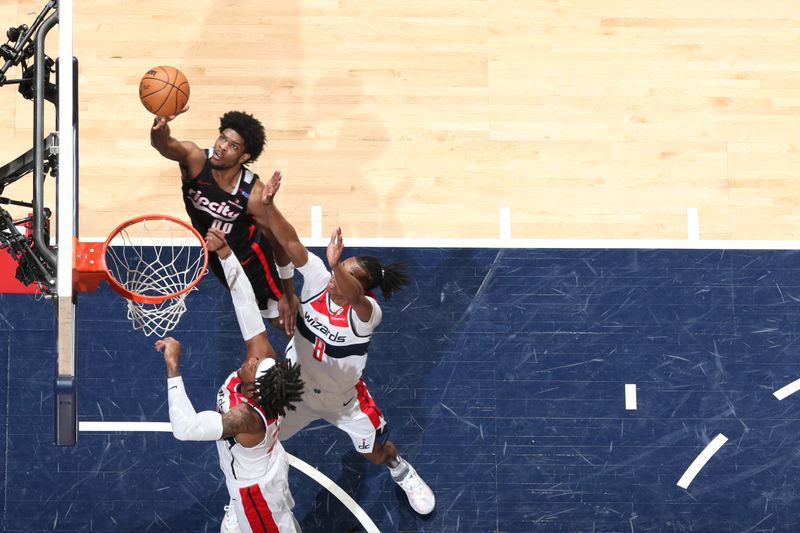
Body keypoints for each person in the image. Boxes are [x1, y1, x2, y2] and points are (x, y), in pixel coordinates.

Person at [257, 172, 436, 515]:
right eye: (338, 269)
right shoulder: (317, 281)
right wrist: (270, 206)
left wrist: (338, 265)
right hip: (294, 389)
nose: (333, 276)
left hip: (344, 401)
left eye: (343, 274)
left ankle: (401, 470)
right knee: (260, 441)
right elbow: (290, 241)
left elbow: (353, 294)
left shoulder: (366, 314)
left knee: (376, 452)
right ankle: (246, 503)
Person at [156, 229, 305, 533]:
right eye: (258, 362)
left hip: (254, 492)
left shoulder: (245, 418)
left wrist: (173, 368)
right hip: (264, 463)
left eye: (253, 367)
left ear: (254, 392)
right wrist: (226, 255)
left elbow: (185, 429)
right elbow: (246, 303)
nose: (252, 359)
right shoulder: (265, 363)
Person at [150, 108, 298, 335]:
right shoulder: (195, 159)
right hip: (218, 256)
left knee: (283, 322)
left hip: (251, 262)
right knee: (249, 311)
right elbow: (164, 144)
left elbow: (279, 243)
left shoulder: (253, 194)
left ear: (244, 157)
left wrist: (286, 294)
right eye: (222, 138)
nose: (222, 147)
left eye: (233, 146)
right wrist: (160, 127)